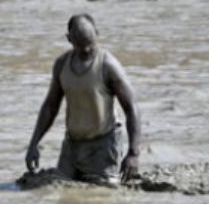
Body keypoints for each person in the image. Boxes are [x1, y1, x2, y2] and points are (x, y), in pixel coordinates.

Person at [26, 14, 140, 186]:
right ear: (69, 39)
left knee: (102, 196)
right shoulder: (62, 65)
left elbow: (132, 108)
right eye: (81, 46)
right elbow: (50, 106)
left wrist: (133, 154)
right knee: (59, 192)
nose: (87, 50)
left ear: (97, 34)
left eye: (90, 45)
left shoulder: (108, 65)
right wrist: (34, 143)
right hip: (72, 146)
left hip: (103, 145)